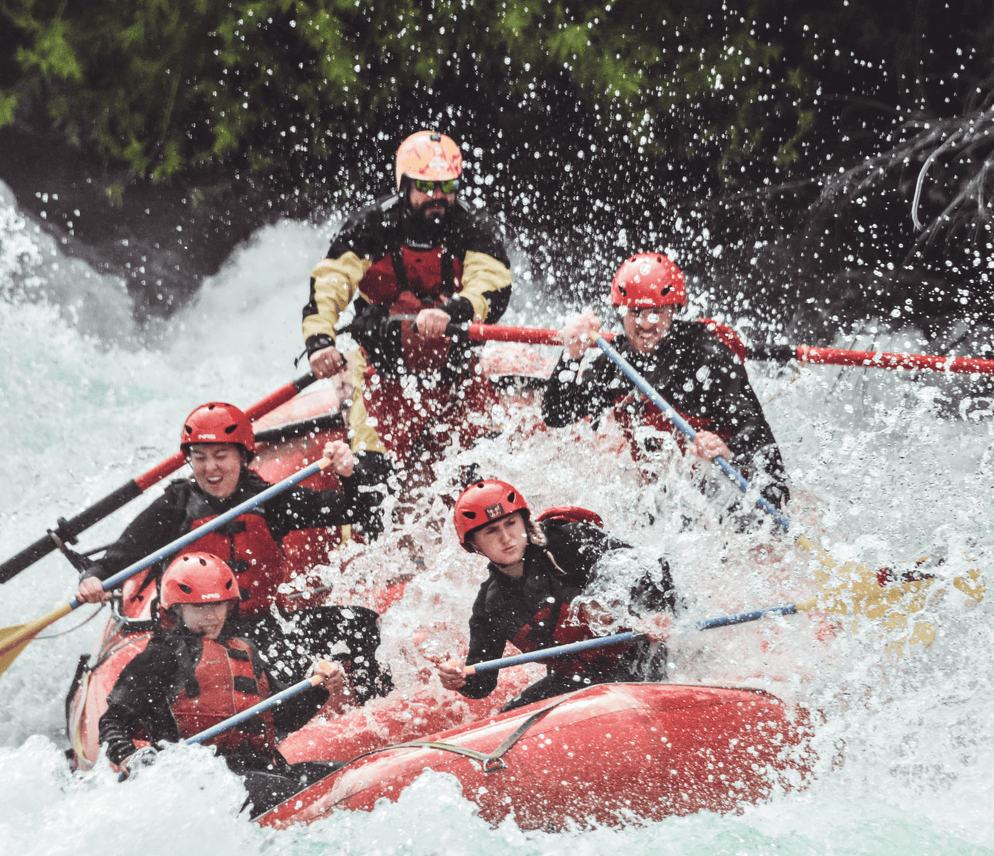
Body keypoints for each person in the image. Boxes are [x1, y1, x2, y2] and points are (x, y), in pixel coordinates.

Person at [75, 401, 392, 700]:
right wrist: (93, 578)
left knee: (362, 624)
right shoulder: (174, 507)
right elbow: (120, 557)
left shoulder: (269, 500)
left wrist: (349, 474)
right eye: (199, 457)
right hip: (192, 639)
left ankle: (375, 706)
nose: (210, 467)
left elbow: (355, 509)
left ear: (242, 456)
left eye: (220, 455)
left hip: (262, 629)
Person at [300, 130, 514, 483]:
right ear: (404, 185)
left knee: (492, 473)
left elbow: (492, 285)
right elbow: (330, 282)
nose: (438, 196)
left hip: (458, 376)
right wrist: (320, 341)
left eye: (447, 186)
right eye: (426, 186)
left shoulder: (473, 227)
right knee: (371, 479)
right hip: (383, 376)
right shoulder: (371, 225)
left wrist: (451, 312)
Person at [99, 552, 353, 816]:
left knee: (347, 774)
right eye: (199, 607)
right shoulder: (161, 656)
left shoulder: (245, 650)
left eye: (217, 605)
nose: (211, 615)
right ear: (177, 609)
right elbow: (112, 722)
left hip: (262, 769)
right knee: (295, 792)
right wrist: (130, 757)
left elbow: (283, 717)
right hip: (205, 784)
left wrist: (318, 689)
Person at [542, 253, 790, 513]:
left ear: (673, 311)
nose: (645, 324)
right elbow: (556, 414)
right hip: (666, 496)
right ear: (621, 312)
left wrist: (728, 450)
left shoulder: (708, 358)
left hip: (730, 493)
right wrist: (572, 356)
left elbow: (760, 436)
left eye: (656, 312)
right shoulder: (615, 361)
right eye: (635, 312)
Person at [438, 479, 679, 712]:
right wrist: (460, 679)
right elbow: (482, 682)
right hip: (579, 677)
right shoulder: (491, 605)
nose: (506, 538)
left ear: (524, 521)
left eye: (511, 523)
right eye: (491, 531)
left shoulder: (568, 540)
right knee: (510, 714)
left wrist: (656, 612)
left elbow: (648, 565)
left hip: (639, 654)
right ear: (474, 545)